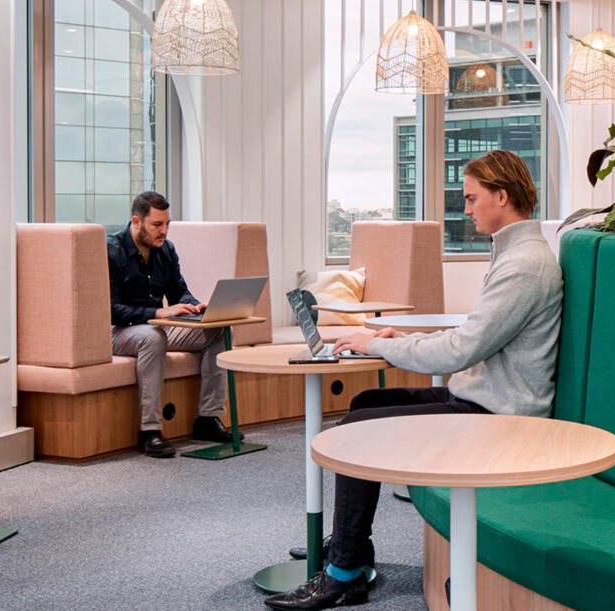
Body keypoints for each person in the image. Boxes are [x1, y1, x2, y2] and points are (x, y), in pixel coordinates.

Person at [264, 150, 563, 609]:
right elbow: (472, 335)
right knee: (365, 402)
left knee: (357, 432)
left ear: (501, 196)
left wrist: (376, 343)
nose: (465, 209)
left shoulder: (524, 265)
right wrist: (398, 336)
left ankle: (344, 572)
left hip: (498, 414)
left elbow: (461, 350)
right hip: (481, 396)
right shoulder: (514, 253)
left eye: (471, 198)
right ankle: (352, 548)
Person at [108, 191, 242, 458]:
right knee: (153, 337)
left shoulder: (165, 249)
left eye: (167, 224)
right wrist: (159, 311)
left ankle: (208, 418)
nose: (164, 231)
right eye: (157, 225)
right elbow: (111, 310)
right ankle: (150, 431)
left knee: (217, 330)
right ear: (136, 222)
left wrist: (195, 306)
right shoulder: (112, 251)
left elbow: (179, 291)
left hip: (156, 325)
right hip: (118, 331)